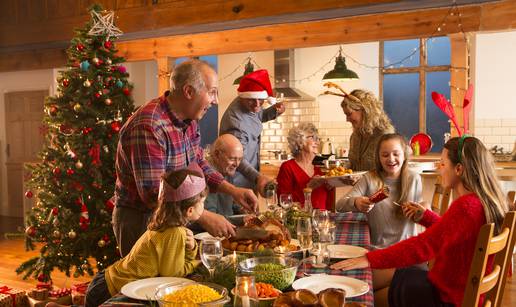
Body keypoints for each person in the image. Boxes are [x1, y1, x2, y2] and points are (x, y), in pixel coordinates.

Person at [331, 136, 510, 307]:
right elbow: (449, 232)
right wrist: (425, 216)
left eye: (442, 163)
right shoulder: (479, 201)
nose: (440, 168)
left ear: (459, 169)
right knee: (373, 279)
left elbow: (423, 246)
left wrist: (369, 259)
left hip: (446, 297)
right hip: (449, 288)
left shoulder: (466, 206)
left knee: (364, 298)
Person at [113, 59, 257, 256]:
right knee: (147, 283)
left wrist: (233, 191)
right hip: (142, 220)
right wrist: (203, 216)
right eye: (212, 92)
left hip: (174, 217)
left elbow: (198, 163)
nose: (215, 100)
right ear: (189, 92)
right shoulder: (149, 126)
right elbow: (154, 194)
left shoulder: (189, 120)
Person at [85, 165, 206, 307]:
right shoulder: (175, 232)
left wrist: (190, 248)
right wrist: (197, 260)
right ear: (190, 210)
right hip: (109, 291)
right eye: (203, 202)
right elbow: (173, 276)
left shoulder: (165, 225)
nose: (204, 205)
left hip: (105, 281)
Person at [335, 133, 424, 248]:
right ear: (378, 157)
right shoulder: (369, 178)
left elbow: (421, 209)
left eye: (396, 154)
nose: (391, 159)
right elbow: (339, 205)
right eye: (385, 155)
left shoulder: (414, 179)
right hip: (378, 250)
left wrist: (422, 210)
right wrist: (356, 202)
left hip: (407, 249)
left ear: (404, 155)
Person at [219, 69, 285, 193]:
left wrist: (274, 111)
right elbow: (236, 159)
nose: (257, 104)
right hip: (237, 184)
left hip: (249, 181)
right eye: (252, 100)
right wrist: (258, 177)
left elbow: (258, 116)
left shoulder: (249, 102)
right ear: (243, 96)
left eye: (261, 99)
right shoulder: (237, 124)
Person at [277, 122, 331, 210]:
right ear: (299, 141)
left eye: (318, 138)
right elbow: (284, 203)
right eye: (313, 138)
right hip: (299, 221)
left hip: (321, 221)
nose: (317, 142)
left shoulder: (318, 170)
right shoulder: (288, 167)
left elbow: (326, 203)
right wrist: (309, 187)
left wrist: (332, 186)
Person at [340, 89, 395, 171]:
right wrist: (344, 168)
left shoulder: (385, 135)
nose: (347, 119)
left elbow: (390, 171)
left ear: (365, 111)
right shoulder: (355, 136)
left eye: (349, 114)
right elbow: (354, 164)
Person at [204, 134, 245, 217]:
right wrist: (241, 220)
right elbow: (212, 219)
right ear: (217, 154)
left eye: (240, 159)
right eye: (232, 158)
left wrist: (242, 209)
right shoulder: (207, 176)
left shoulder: (226, 170)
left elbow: (229, 206)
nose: (237, 164)